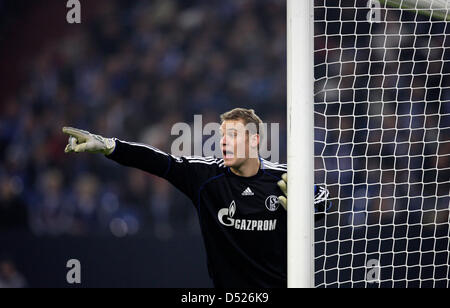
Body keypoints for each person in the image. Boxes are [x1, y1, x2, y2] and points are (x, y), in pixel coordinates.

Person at [63, 108, 329, 288]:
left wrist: (311, 207)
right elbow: (159, 162)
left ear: (255, 141)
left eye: (233, 136)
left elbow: (322, 199)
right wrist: (109, 146)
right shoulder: (206, 177)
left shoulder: (283, 179)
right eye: (222, 136)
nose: (224, 142)